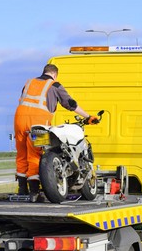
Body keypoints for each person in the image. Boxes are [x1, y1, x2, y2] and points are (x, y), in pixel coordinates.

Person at [14, 63, 99, 201]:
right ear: (54, 74)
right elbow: (70, 104)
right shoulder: (54, 85)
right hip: (38, 122)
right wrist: (88, 116)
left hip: (19, 119)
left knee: (22, 153)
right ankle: (34, 193)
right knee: (35, 154)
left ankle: (22, 190)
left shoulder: (29, 82)